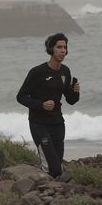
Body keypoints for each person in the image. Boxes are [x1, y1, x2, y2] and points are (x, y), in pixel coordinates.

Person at [16, 32, 81, 178]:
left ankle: (51, 193)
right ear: (51, 49)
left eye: (65, 47)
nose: (63, 50)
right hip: (39, 124)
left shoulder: (65, 71)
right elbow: (21, 97)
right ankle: (43, 190)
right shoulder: (37, 72)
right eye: (59, 47)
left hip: (58, 123)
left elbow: (71, 100)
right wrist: (41, 105)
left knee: (57, 166)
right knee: (53, 168)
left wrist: (75, 92)